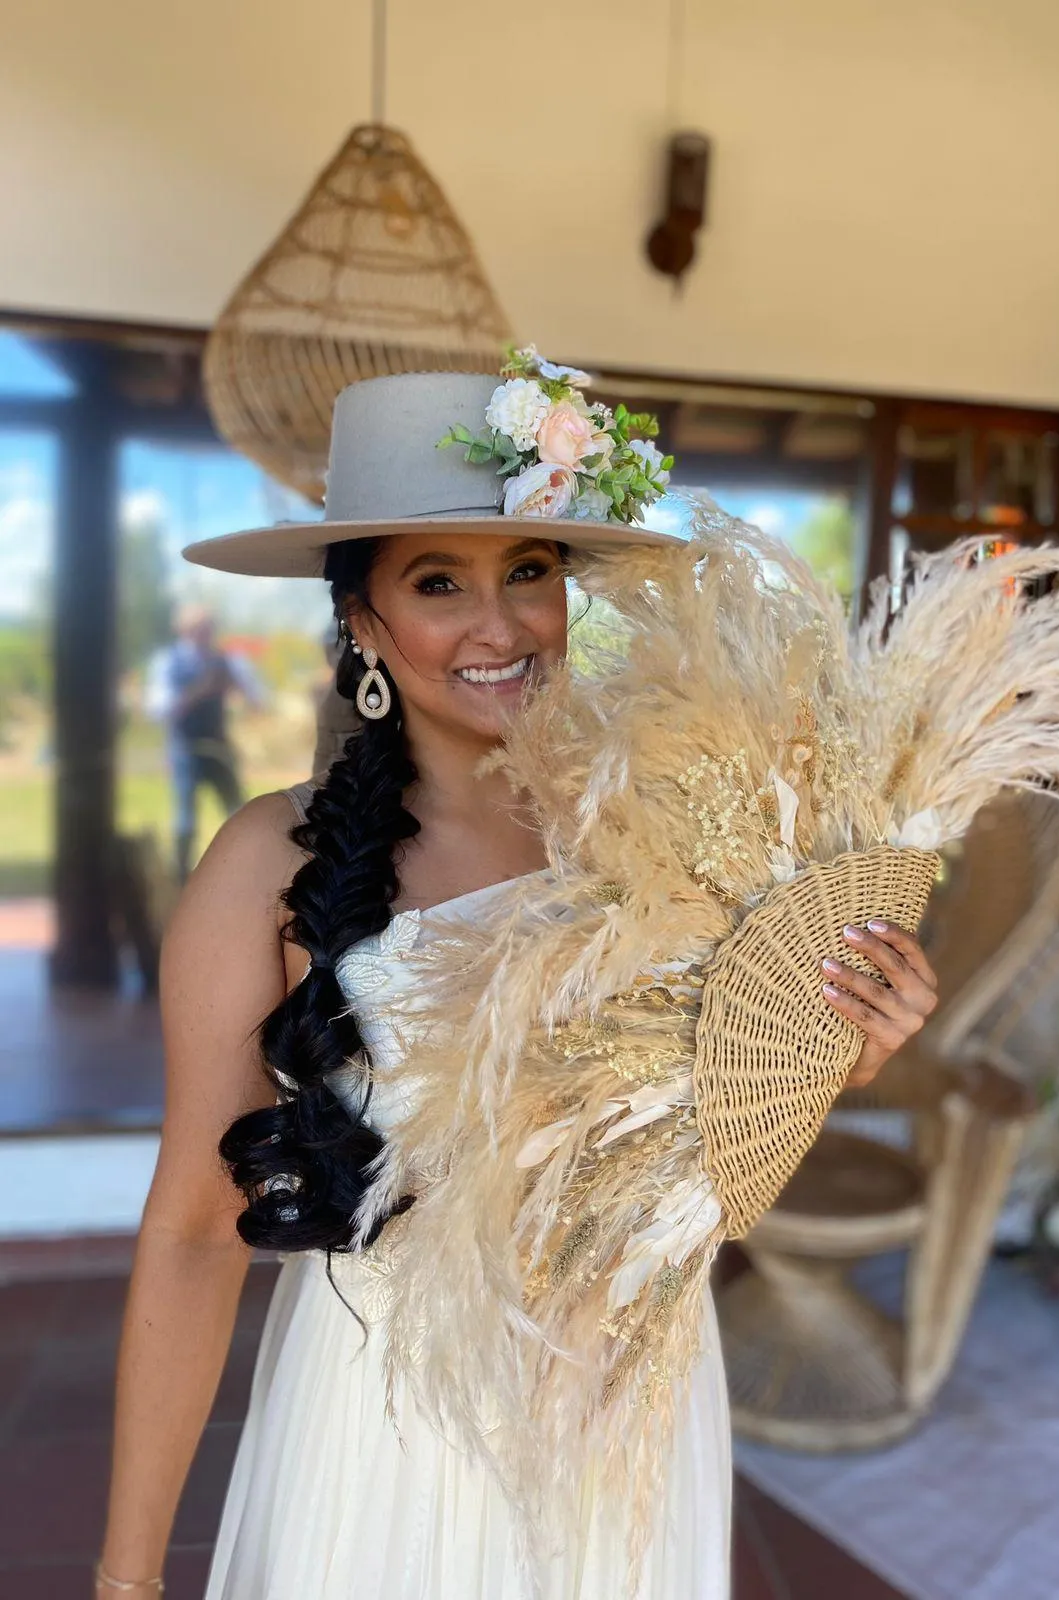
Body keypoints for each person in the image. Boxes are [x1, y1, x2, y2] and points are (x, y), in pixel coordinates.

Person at [97, 368, 938, 1599]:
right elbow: (188, 1233)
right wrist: (125, 1579)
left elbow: (707, 1144)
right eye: (439, 582)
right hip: (400, 1431)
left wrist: (838, 1051)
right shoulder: (267, 863)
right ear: (364, 621)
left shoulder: (674, 830)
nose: (500, 628)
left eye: (529, 570)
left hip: (632, 1415)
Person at [144, 604, 264, 881]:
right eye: (199, 629)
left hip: (218, 748)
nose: (206, 635)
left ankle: (248, 871)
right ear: (184, 630)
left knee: (238, 811)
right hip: (185, 748)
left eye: (209, 628)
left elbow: (257, 699)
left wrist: (237, 686)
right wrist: (199, 690)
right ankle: (181, 878)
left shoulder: (225, 661)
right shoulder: (168, 662)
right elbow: (157, 709)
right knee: (185, 818)